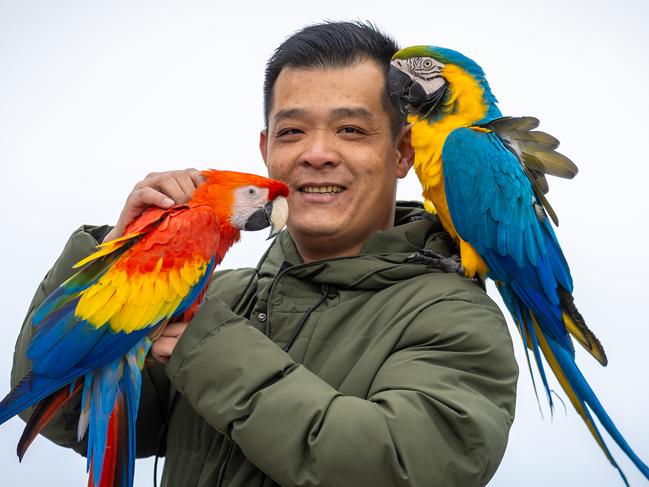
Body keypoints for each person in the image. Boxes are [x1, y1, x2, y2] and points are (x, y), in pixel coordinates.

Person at [11, 21, 518, 486]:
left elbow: (401, 468)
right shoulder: (215, 294)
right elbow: (65, 420)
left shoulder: (455, 318)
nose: (316, 154)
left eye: (351, 130)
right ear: (265, 151)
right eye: (292, 131)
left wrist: (211, 350)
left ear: (403, 153)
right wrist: (119, 255)